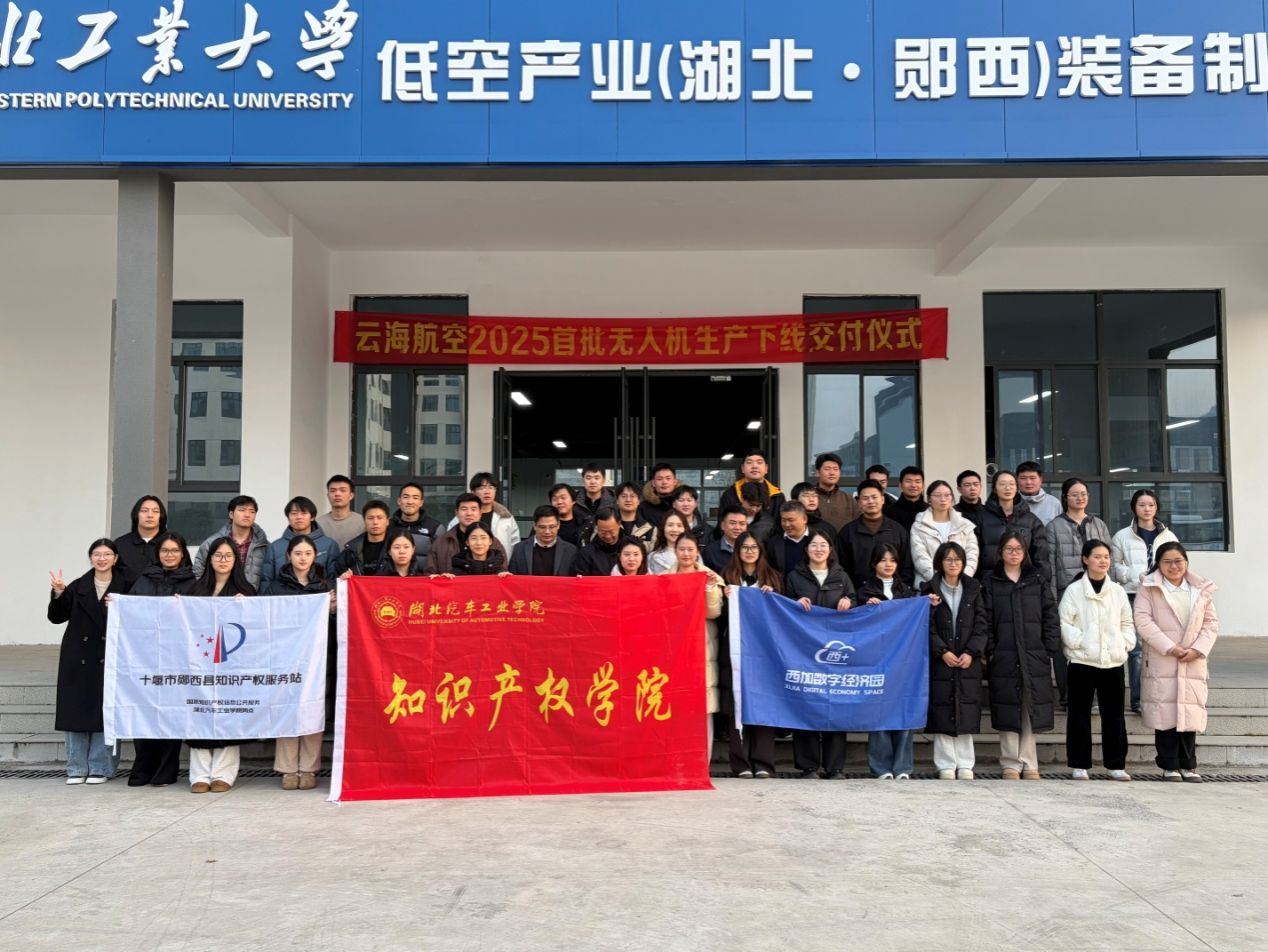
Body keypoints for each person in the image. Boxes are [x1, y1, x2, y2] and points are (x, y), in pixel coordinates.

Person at [1135, 542, 1219, 782]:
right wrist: (1170, 647)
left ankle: (1188, 765)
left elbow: (1211, 623)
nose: (1173, 566)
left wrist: (1197, 649)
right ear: (1158, 565)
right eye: (1167, 562)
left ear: (1186, 562)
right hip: (1163, 658)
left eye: (1178, 561)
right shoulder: (1149, 587)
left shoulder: (1200, 588)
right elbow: (1143, 620)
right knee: (1165, 714)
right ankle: (1169, 765)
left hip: (1192, 659)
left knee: (1189, 712)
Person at [982, 529, 1060, 781]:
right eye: (1009, 549)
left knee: (1029, 707)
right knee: (1007, 707)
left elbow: (1050, 615)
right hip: (1004, 655)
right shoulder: (991, 582)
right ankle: (1010, 763)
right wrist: (991, 649)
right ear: (1000, 552)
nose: (1013, 553)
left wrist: (1048, 647)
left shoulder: (1036, 579)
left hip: (1033, 654)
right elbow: (985, 619)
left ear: (1025, 552)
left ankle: (1029, 762)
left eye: (1018, 549)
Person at [48, 538, 127, 785]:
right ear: (90, 558)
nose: (102, 558)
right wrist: (59, 593)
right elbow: (57, 617)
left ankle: (101, 767)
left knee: (106, 710)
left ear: (115, 558)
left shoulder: (127, 585)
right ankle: (76, 767)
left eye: (107, 554)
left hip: (111, 655)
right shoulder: (77, 585)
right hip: (78, 655)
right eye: (97, 554)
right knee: (76, 710)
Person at [1060, 540, 1135, 782]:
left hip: (1112, 661)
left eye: (1106, 557)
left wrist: (1124, 643)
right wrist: (1080, 642)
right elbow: (1064, 623)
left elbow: (1127, 622)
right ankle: (1079, 764)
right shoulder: (1074, 591)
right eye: (1097, 556)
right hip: (1082, 661)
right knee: (1079, 715)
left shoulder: (1118, 591)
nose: (1103, 561)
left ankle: (1116, 765)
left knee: (1114, 716)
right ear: (1085, 559)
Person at [186, 537, 257, 793]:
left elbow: (256, 626)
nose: (223, 560)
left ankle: (223, 774)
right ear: (210, 559)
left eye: (228, 555)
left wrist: (245, 607)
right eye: (218, 555)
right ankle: (199, 775)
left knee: (228, 716)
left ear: (236, 560)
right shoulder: (196, 590)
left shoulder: (246, 590)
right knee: (200, 715)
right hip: (200, 663)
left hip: (232, 665)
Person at [127, 531, 197, 787]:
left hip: (177, 658)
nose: (170, 555)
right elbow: (130, 611)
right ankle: (142, 768)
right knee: (143, 711)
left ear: (183, 554)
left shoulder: (192, 583)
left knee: (172, 713)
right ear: (158, 554)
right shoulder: (144, 580)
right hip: (145, 656)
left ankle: (166, 770)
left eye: (175, 551)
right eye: (165, 550)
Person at [785, 529, 855, 779]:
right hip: (803, 650)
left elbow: (855, 601)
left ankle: (835, 766)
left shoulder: (841, 576)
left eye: (823, 545)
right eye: (814, 545)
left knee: (835, 705)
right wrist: (795, 603)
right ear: (806, 550)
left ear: (830, 549)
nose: (818, 549)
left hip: (834, 650)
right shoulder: (795, 576)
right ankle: (808, 766)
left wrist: (849, 601)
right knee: (805, 704)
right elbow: (783, 607)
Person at [268, 534, 336, 791]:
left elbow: (337, 623)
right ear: (288, 556)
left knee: (313, 708)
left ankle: (308, 768)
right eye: (298, 553)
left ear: (315, 556)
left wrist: (332, 609)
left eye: (308, 553)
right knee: (286, 708)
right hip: (285, 657)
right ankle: (287, 769)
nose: (303, 558)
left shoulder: (324, 586)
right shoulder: (276, 587)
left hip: (317, 658)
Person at [922, 542, 988, 781]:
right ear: (940, 562)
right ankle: (945, 764)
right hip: (941, 660)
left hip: (967, 659)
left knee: (966, 709)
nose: (953, 564)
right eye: (948, 559)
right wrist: (941, 651)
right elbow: (925, 625)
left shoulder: (974, 589)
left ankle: (965, 764)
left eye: (957, 559)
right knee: (942, 710)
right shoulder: (928, 589)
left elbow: (982, 624)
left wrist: (972, 652)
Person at [1044, 478, 1112, 711]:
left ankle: (1093, 696)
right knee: (1066, 645)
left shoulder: (1098, 524)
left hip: (1096, 591)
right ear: (1065, 498)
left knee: (1095, 640)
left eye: (1083, 493)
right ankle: (1067, 697)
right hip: (1066, 592)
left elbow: (1109, 560)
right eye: (1074, 494)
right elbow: (1051, 566)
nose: (1080, 498)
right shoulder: (1054, 526)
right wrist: (1052, 600)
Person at [1111, 489, 1180, 715]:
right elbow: (1113, 566)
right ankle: (1138, 700)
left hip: (1162, 595)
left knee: (1162, 645)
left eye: (1151, 505)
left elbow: (1178, 564)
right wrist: (1135, 575)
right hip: (1133, 594)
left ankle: (1160, 695)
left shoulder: (1168, 536)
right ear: (1134, 508)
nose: (1147, 509)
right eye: (1142, 505)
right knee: (1137, 649)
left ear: (1157, 507)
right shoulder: (1122, 536)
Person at [721, 532, 783, 779]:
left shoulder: (773, 578)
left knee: (764, 702)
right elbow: (716, 613)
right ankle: (741, 763)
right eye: (744, 547)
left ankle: (763, 762)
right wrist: (724, 598)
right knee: (737, 701)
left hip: (764, 651)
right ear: (737, 551)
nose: (749, 551)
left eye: (754, 547)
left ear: (761, 551)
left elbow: (783, 614)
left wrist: (773, 596)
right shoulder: (727, 576)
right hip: (735, 648)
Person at [857, 543, 922, 780]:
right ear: (874, 563)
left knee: (903, 710)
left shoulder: (907, 592)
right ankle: (881, 767)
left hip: (903, 659)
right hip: (875, 659)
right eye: (883, 560)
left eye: (892, 560)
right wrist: (865, 608)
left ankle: (902, 767)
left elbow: (917, 616)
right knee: (879, 711)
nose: (888, 564)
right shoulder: (864, 592)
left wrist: (928, 603)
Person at [668, 534, 724, 761]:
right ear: (675, 551)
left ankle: (702, 762)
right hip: (673, 648)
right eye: (682, 549)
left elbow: (714, 612)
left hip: (701, 646)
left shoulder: (709, 577)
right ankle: (677, 761)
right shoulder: (664, 578)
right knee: (675, 706)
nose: (686, 554)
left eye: (690, 549)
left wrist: (709, 588)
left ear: (697, 552)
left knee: (703, 706)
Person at [836, 479, 913, 591]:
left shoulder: (898, 530)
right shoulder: (848, 533)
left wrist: (901, 591)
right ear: (859, 502)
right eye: (865, 498)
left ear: (882, 499)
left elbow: (907, 566)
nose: (870, 501)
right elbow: (842, 568)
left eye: (874, 497)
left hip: (893, 594)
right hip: (859, 594)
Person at [975, 470, 1048, 581]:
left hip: (1023, 582)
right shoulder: (981, 518)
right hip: (989, 582)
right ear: (994, 489)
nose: (1007, 488)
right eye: (1002, 484)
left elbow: (1041, 557)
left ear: (1017, 488)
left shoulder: (1031, 520)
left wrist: (1042, 582)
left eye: (1011, 484)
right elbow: (975, 553)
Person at [259, 496, 338, 595]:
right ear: (288, 517)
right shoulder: (275, 547)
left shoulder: (329, 545)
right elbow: (266, 580)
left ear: (312, 517)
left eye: (304, 513)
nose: (299, 517)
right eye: (294, 513)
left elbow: (333, 579)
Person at [910, 480, 979, 585]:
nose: (943, 499)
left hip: (961, 584)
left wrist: (961, 579)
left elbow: (972, 555)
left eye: (947, 495)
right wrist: (940, 582)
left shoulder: (964, 525)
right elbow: (920, 557)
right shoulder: (919, 526)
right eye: (938, 495)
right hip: (930, 585)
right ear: (929, 499)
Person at [194, 495, 268, 587]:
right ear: (231, 514)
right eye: (242, 510)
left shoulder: (263, 545)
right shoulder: (211, 542)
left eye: (252, 511)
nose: (247, 515)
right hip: (220, 595)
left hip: (252, 595)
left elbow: (268, 578)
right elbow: (198, 572)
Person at [426, 493, 509, 574]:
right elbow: (430, 574)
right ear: (456, 513)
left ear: (480, 513)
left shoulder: (494, 543)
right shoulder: (441, 543)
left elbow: (503, 572)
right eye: (464, 509)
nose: (469, 513)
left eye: (473, 509)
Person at [453, 472, 522, 554]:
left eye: (491, 487)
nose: (487, 492)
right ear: (473, 492)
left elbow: (515, 543)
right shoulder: (462, 518)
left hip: (500, 561)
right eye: (482, 488)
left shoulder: (506, 518)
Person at [717, 449, 785, 529]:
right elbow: (722, 526)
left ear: (766, 468)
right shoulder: (730, 494)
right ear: (742, 468)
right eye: (749, 462)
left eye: (759, 462)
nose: (754, 466)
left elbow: (781, 527)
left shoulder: (777, 496)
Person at [113, 495, 168, 589]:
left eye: (155, 511)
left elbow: (185, 574)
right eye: (144, 511)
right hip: (128, 597)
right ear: (136, 515)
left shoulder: (172, 542)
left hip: (165, 597)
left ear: (162, 516)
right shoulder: (120, 544)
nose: (150, 515)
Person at [508, 505, 578, 577]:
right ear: (534, 526)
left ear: (558, 525)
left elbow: (574, 578)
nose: (547, 531)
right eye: (542, 527)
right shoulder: (519, 549)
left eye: (552, 527)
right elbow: (512, 577)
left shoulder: (570, 551)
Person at [333, 500, 393, 577]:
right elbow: (337, 575)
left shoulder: (396, 547)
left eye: (379, 518)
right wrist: (343, 577)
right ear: (364, 521)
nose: (375, 522)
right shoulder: (351, 550)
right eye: (370, 518)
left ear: (387, 521)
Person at [390, 482, 444, 568]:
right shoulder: (387, 526)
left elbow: (442, 560)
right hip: (392, 575)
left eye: (415, 498)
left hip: (424, 576)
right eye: (406, 497)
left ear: (421, 502)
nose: (410, 502)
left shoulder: (435, 528)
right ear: (399, 501)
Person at [764, 501, 812, 584]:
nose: (786, 524)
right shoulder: (774, 543)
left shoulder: (818, 539)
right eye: (783, 520)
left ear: (804, 519)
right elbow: (769, 570)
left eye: (791, 520)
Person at [811, 452, 857, 533]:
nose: (832, 473)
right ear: (818, 473)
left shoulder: (848, 499)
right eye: (827, 469)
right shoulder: (809, 498)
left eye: (835, 469)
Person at [316, 474, 364, 550]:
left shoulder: (363, 522)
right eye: (333, 491)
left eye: (343, 490)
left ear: (351, 496)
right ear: (328, 495)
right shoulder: (318, 524)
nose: (337, 494)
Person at [575, 509, 626, 576]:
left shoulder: (630, 549)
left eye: (611, 532)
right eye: (603, 532)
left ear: (619, 524)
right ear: (596, 527)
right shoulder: (587, 553)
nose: (608, 536)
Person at [703, 505, 748, 575]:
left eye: (742, 524)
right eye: (732, 523)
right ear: (722, 525)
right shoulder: (710, 552)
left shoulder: (753, 550)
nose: (737, 527)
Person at [614, 481, 656, 551]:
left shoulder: (650, 529)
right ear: (617, 500)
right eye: (624, 496)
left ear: (638, 501)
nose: (628, 500)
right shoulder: (608, 526)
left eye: (632, 496)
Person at [1016, 460, 1061, 526]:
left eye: (1032, 478)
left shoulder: (1054, 503)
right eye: (1023, 478)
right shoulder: (1011, 502)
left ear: (1040, 480)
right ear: (1017, 480)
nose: (1028, 482)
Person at [884, 465, 928, 532]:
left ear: (923, 486)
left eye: (917, 481)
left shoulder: (929, 511)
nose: (913, 485)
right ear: (900, 485)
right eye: (908, 481)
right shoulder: (888, 513)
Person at [548, 483, 593, 549]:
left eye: (563, 498)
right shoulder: (545, 523)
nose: (559, 502)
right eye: (555, 499)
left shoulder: (586, 523)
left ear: (573, 500)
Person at [639, 462, 681, 527]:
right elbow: (640, 530)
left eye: (668, 478)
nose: (664, 482)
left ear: (675, 482)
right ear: (653, 483)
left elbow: (695, 527)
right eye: (660, 479)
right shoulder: (643, 507)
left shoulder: (685, 503)